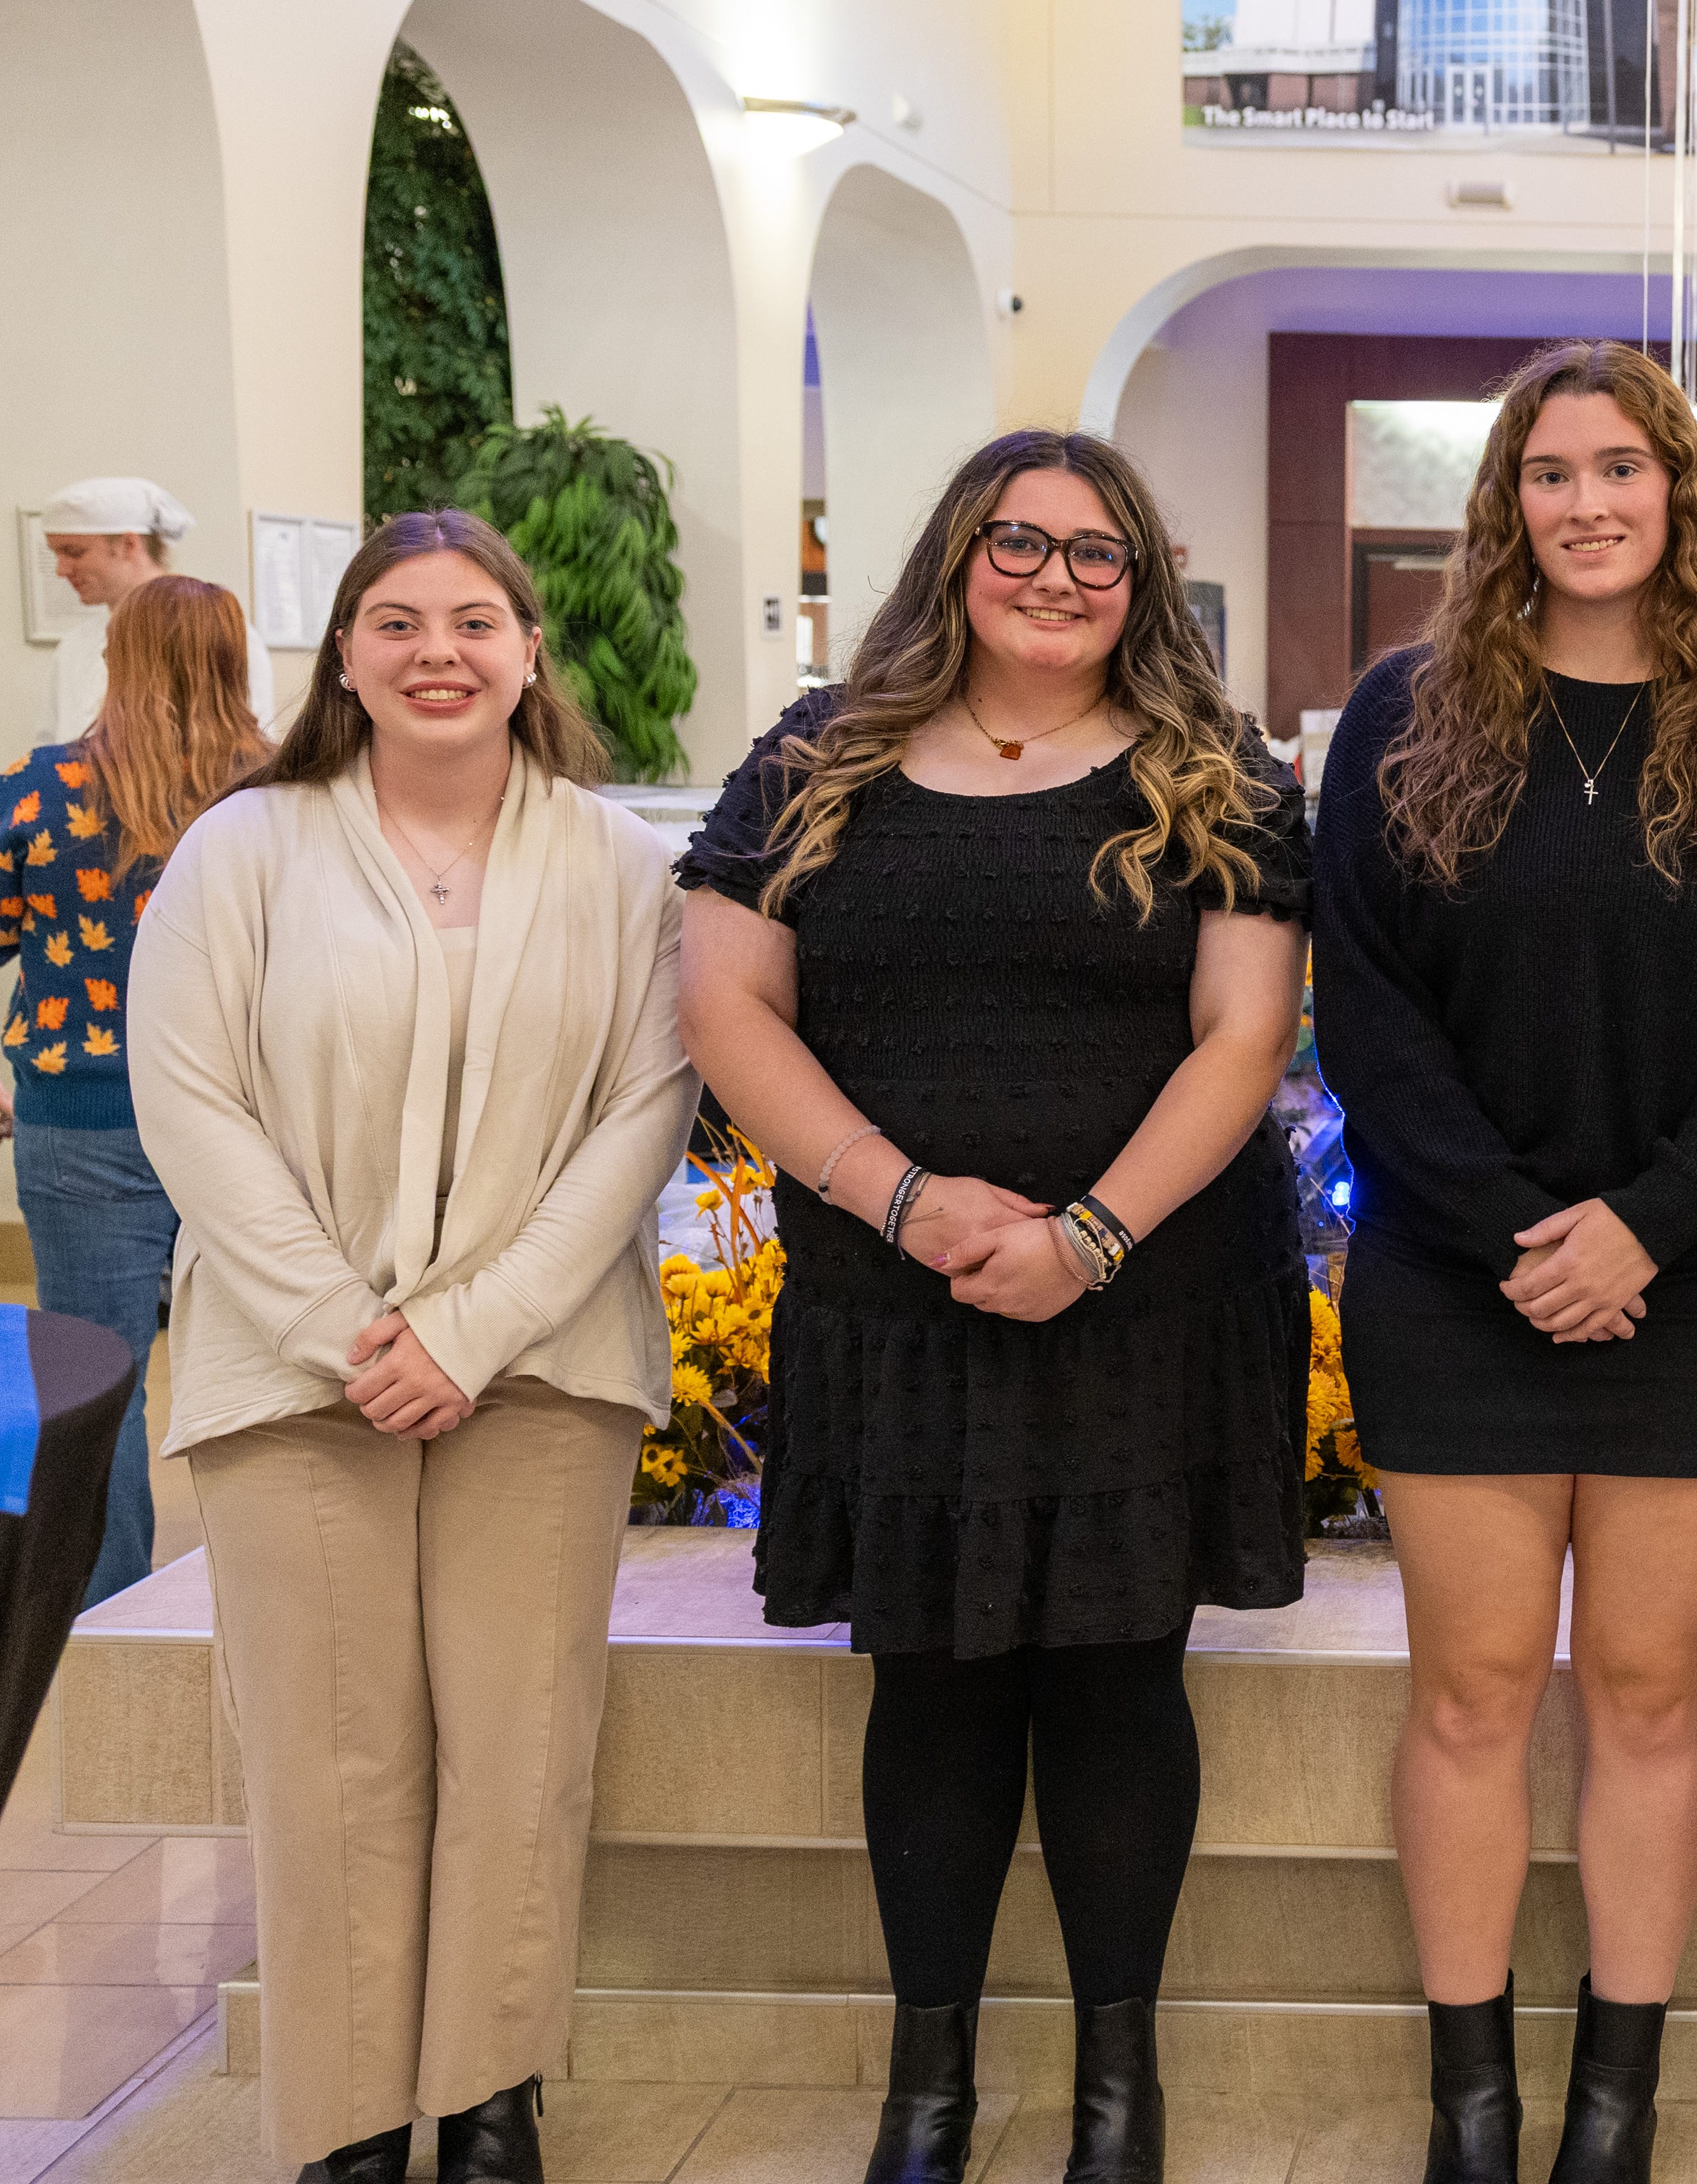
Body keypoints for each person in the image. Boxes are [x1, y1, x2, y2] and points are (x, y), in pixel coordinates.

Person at [678, 431, 1311, 2184]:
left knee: (1119, 1678)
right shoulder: (817, 765)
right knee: (933, 1686)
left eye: (1099, 554)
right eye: (1021, 543)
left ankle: (1121, 2091)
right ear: (957, 556)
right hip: (897, 1300)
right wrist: (902, 1196)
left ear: (1145, 585)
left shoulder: (1218, 773)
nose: (1056, 578)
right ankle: (929, 2091)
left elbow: (1247, 1033)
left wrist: (1089, 1235)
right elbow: (730, 1008)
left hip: (1151, 1294)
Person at [1311, 338, 1697, 2184]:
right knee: (1467, 1691)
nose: (1587, 501)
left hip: (1691, 1284)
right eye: (1550, 472)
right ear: (1506, 501)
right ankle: (1471, 2110)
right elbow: (1364, 1017)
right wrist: (1518, 1233)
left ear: (1675, 491)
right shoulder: (1402, 712)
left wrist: (1646, 1222)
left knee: (1643, 1691)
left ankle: (1611, 2116)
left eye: (1620, 466)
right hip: (1449, 1277)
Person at [125, 511, 695, 2184]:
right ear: (348, 658)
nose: (437, 651)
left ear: (529, 653)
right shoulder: (249, 850)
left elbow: (642, 1112)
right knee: (331, 1765)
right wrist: (345, 1326)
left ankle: (495, 2097)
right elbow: (191, 1100)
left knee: (521, 1747)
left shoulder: (618, 866)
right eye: (397, 622)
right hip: (292, 1376)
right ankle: (353, 2128)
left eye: (472, 622)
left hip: (543, 1368)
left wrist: (472, 1328)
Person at [0, 575, 271, 1603]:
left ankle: (115, 1601)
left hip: (86, 1120)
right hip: (259, 1117)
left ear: (117, 660)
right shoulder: (284, 788)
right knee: (272, 1366)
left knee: (101, 1375)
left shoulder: (37, 787)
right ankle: (267, 1589)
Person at [34, 476, 278, 742]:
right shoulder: (76, 645)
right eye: (56, 554)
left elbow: (249, 751)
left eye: (75, 553)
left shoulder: (212, 633)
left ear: (129, 545)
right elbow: (53, 742)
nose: (61, 570)